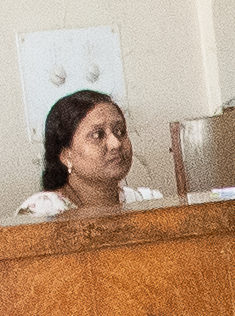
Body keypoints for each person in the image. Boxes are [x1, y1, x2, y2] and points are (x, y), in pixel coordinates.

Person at [11, 88, 175, 221]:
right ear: (66, 156)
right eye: (97, 135)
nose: (116, 143)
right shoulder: (44, 211)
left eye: (120, 131)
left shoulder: (146, 202)